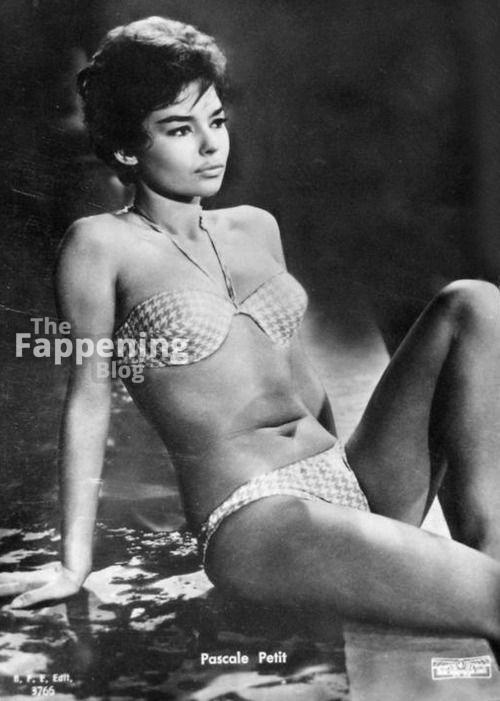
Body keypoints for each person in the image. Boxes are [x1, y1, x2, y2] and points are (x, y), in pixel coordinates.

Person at [2, 15, 500, 644]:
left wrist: (348, 472)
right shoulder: (101, 244)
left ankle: (487, 547)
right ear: (127, 148)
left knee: (473, 303)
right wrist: (73, 564)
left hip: (345, 478)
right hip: (258, 519)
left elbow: (296, 376)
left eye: (216, 121)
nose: (210, 145)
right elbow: (88, 400)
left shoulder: (255, 226)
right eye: (179, 129)